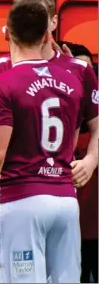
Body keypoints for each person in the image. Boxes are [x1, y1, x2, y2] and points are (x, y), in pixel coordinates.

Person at [0, 0, 99, 283]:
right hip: (8, 193)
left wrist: (92, 159)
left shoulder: (78, 69)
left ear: (53, 22)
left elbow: (97, 125)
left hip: (45, 191)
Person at [58, 41, 98, 284]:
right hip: (68, 230)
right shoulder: (57, 119)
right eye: (77, 68)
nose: (84, 75)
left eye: (89, 70)